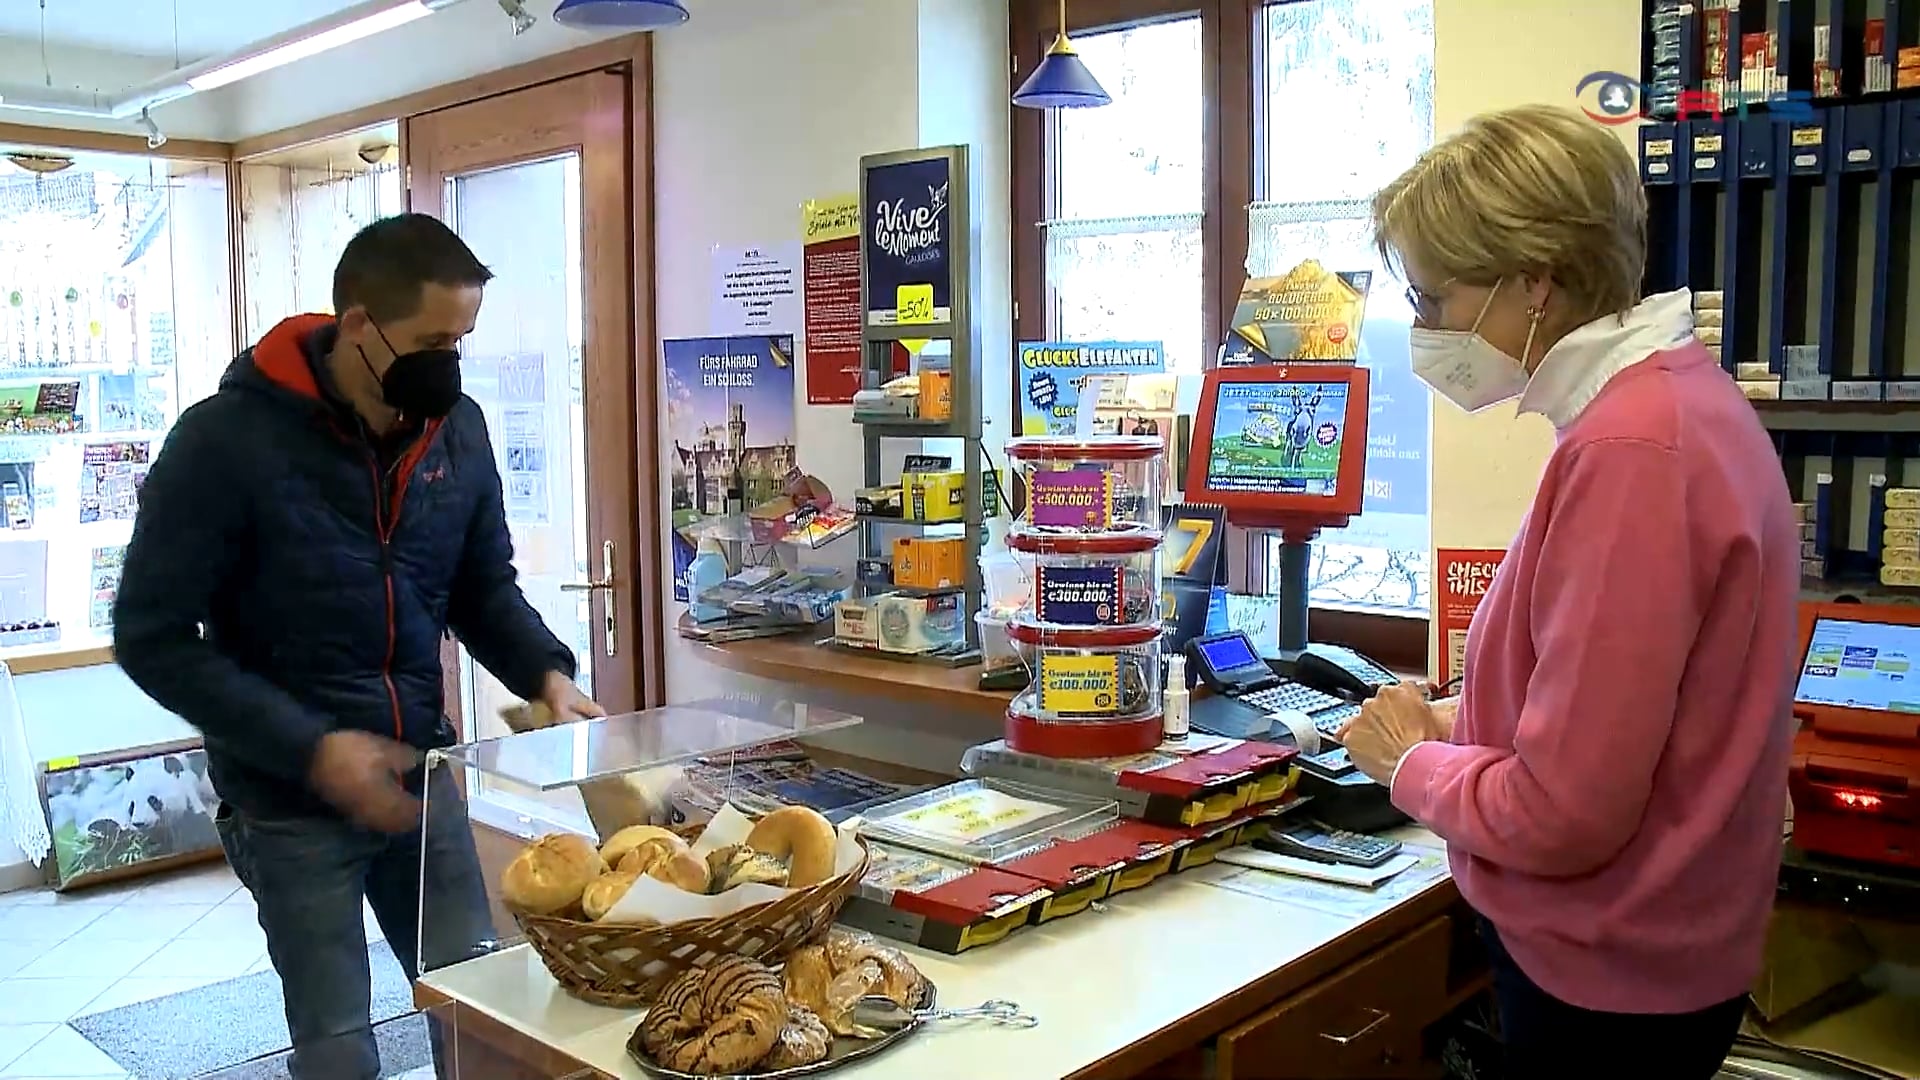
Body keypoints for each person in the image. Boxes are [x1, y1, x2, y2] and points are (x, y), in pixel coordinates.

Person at [1338, 104, 1797, 1078]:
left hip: (1610, 979)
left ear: (1535, 281)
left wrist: (1409, 763)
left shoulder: (1632, 452)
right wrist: (1470, 717)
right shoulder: (1671, 405)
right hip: (1664, 955)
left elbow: (1566, 813)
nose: (1427, 330)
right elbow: (1631, 705)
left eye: (1434, 297)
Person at [114, 213, 603, 1079]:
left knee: (485, 1012)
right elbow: (150, 639)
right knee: (338, 1047)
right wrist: (315, 749)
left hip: (421, 778)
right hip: (288, 800)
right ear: (357, 326)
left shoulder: (459, 431)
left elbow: (479, 585)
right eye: (431, 339)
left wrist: (547, 672)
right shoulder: (223, 443)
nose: (447, 361)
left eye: (463, 339)